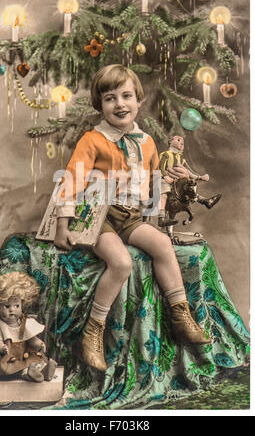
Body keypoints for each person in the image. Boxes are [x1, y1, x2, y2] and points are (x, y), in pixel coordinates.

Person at [54, 64, 211, 372]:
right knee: (122, 263)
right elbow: (71, 180)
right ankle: (93, 330)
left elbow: (154, 180)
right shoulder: (93, 139)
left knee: (163, 246)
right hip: (99, 218)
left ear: (139, 101)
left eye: (126, 96)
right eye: (110, 98)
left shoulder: (147, 141)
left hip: (131, 215)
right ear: (100, 105)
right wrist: (63, 225)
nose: (119, 104)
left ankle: (181, 315)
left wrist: (156, 209)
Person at [0, 271, 57, 382]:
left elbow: (32, 339)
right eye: (7, 306)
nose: (12, 309)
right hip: (7, 358)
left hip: (24, 356)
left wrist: (39, 344)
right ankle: (29, 373)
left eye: (16, 305)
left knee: (37, 359)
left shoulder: (24, 323)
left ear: (22, 304)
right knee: (8, 369)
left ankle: (44, 372)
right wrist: (2, 348)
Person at [158, 134, 222, 227]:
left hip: (177, 180)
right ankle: (161, 218)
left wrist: (199, 177)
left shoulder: (181, 159)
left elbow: (189, 171)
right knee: (163, 194)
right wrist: (165, 176)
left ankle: (205, 201)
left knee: (189, 187)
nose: (181, 143)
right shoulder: (166, 154)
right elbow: (161, 167)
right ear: (170, 142)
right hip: (164, 178)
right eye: (178, 140)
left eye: (183, 143)